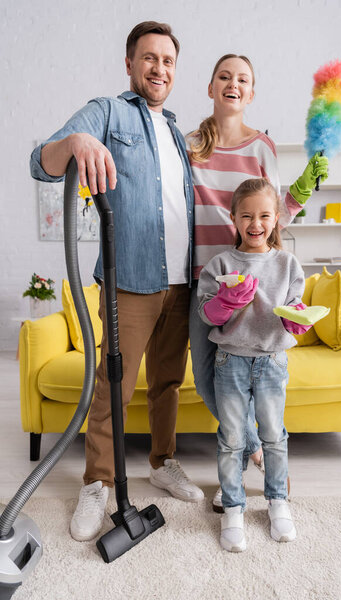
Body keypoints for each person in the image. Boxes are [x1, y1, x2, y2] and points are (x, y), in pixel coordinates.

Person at [30, 21, 204, 543]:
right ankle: (97, 481)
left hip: (182, 280)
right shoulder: (108, 112)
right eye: (149, 58)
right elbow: (41, 161)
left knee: (168, 382)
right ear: (130, 64)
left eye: (168, 60)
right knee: (113, 385)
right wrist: (78, 141)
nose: (159, 68)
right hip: (130, 278)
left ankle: (162, 462)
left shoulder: (177, 131)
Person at [187, 54, 329, 512]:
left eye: (242, 79)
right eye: (224, 76)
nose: (233, 83)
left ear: (251, 93)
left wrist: (301, 193)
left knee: (246, 378)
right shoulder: (189, 144)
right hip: (205, 278)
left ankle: (258, 458)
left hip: (256, 277)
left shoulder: (263, 146)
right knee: (212, 382)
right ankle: (252, 448)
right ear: (211, 87)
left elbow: (269, 214)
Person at [197, 177, 311, 551]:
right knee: (230, 440)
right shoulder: (220, 263)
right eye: (246, 216)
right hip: (229, 362)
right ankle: (234, 508)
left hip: (272, 361)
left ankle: (277, 503)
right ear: (233, 218)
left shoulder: (287, 262)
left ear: (277, 218)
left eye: (264, 215)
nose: (255, 223)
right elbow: (207, 315)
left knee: (274, 437)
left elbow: (295, 306)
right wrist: (225, 303)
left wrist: (297, 318)